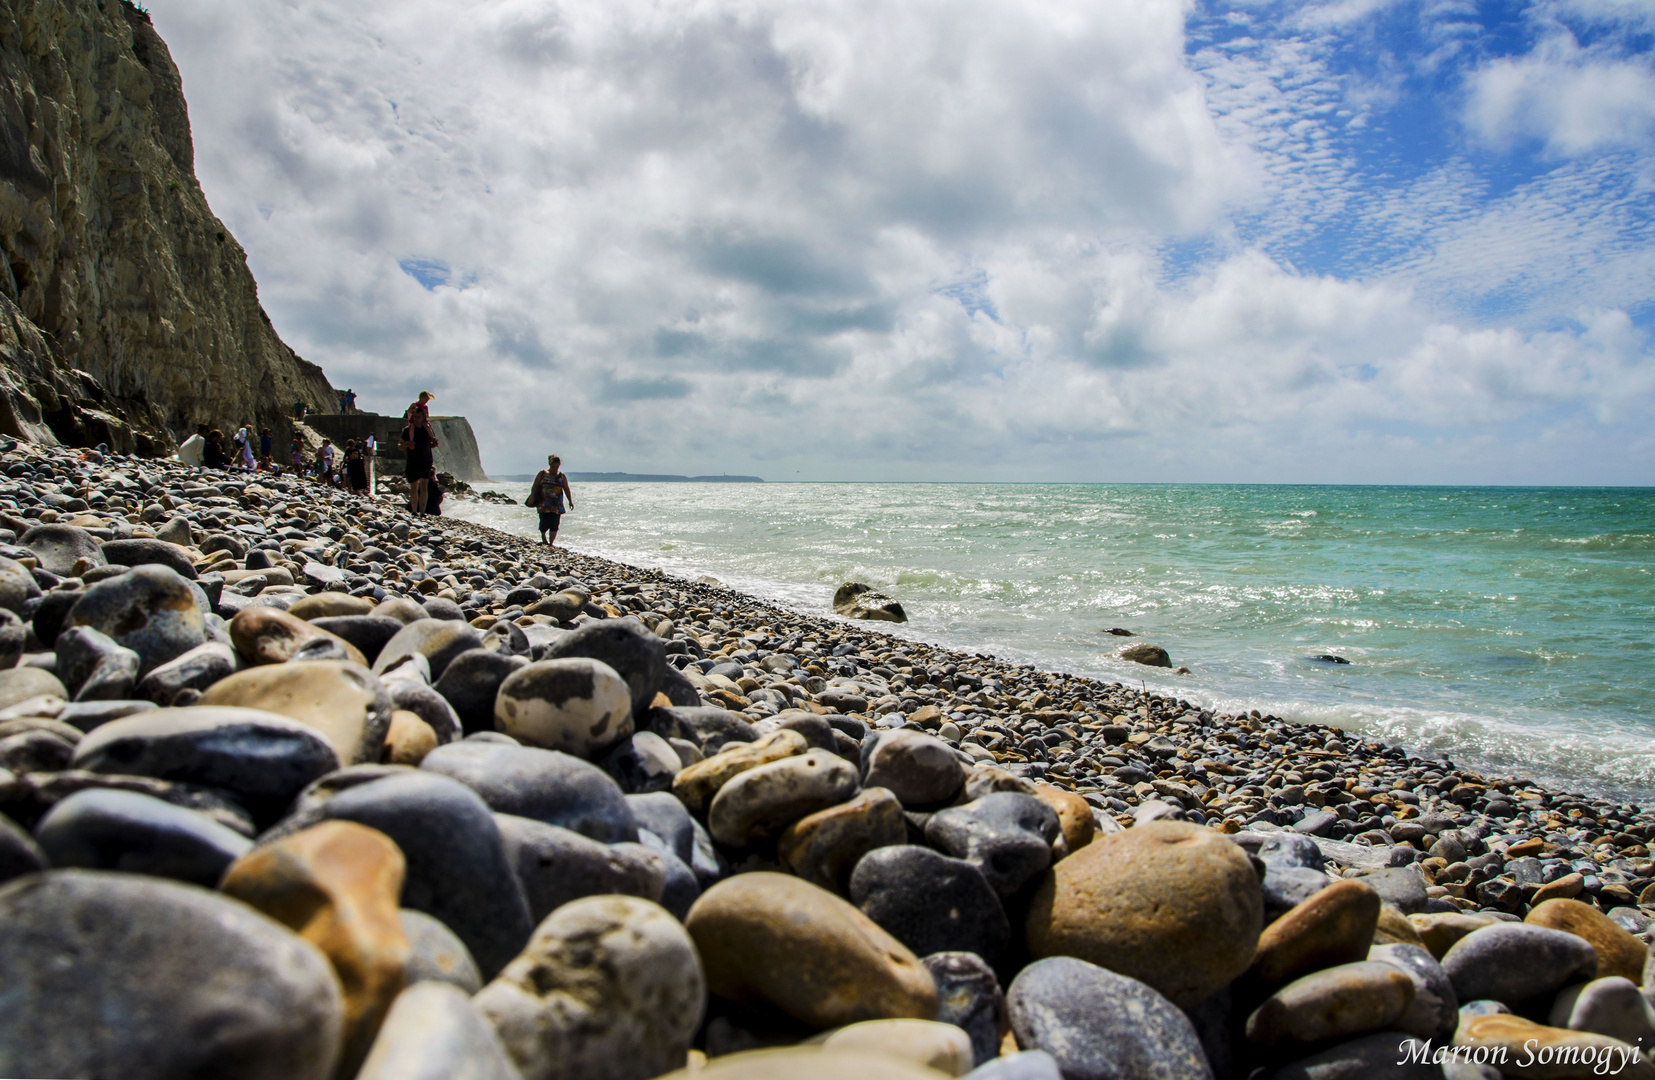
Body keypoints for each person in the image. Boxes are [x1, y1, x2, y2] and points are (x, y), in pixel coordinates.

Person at [402, 391, 439, 514]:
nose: (426, 402)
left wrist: (423, 414)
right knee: (415, 487)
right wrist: (414, 412)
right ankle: (415, 510)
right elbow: (407, 412)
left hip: (424, 461)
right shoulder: (415, 404)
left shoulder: (424, 408)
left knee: (428, 427)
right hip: (414, 460)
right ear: (421, 397)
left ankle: (421, 512)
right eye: (425, 399)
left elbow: (427, 416)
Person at [528, 454, 574, 545]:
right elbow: (535, 486)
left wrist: (570, 501)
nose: (555, 469)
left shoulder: (561, 476)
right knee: (544, 522)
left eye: (557, 467)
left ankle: (551, 543)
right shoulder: (542, 473)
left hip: (556, 504)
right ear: (550, 464)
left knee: (555, 524)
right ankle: (544, 539)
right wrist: (532, 497)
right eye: (553, 466)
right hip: (543, 503)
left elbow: (566, 489)